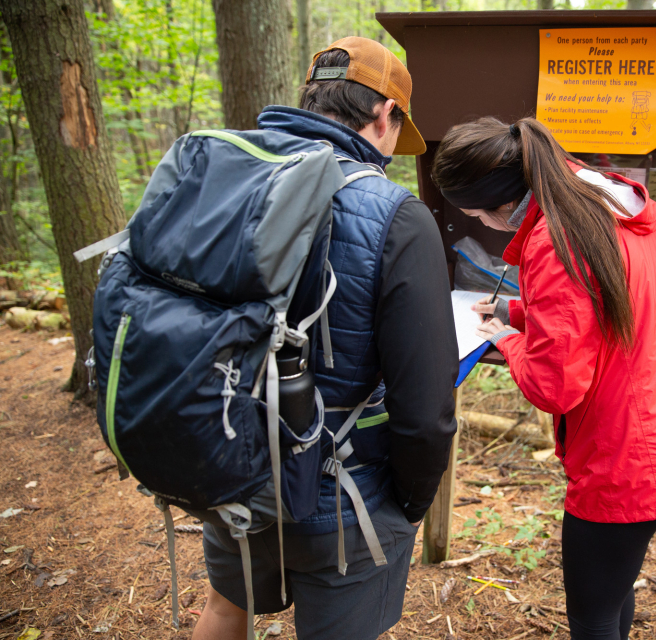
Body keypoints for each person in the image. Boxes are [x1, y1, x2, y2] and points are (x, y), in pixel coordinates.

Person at [193, 37, 459, 640]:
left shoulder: (234, 178)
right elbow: (425, 409)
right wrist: (409, 504)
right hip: (342, 494)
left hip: (230, 461)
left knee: (225, 610)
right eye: (398, 130)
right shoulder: (397, 215)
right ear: (386, 114)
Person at [432, 117, 656, 640]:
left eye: (478, 216)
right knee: (613, 593)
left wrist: (503, 336)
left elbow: (553, 386)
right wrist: (520, 312)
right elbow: (600, 306)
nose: (485, 226)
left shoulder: (556, 239)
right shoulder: (594, 204)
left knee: (592, 617)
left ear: (501, 205)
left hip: (625, 460)